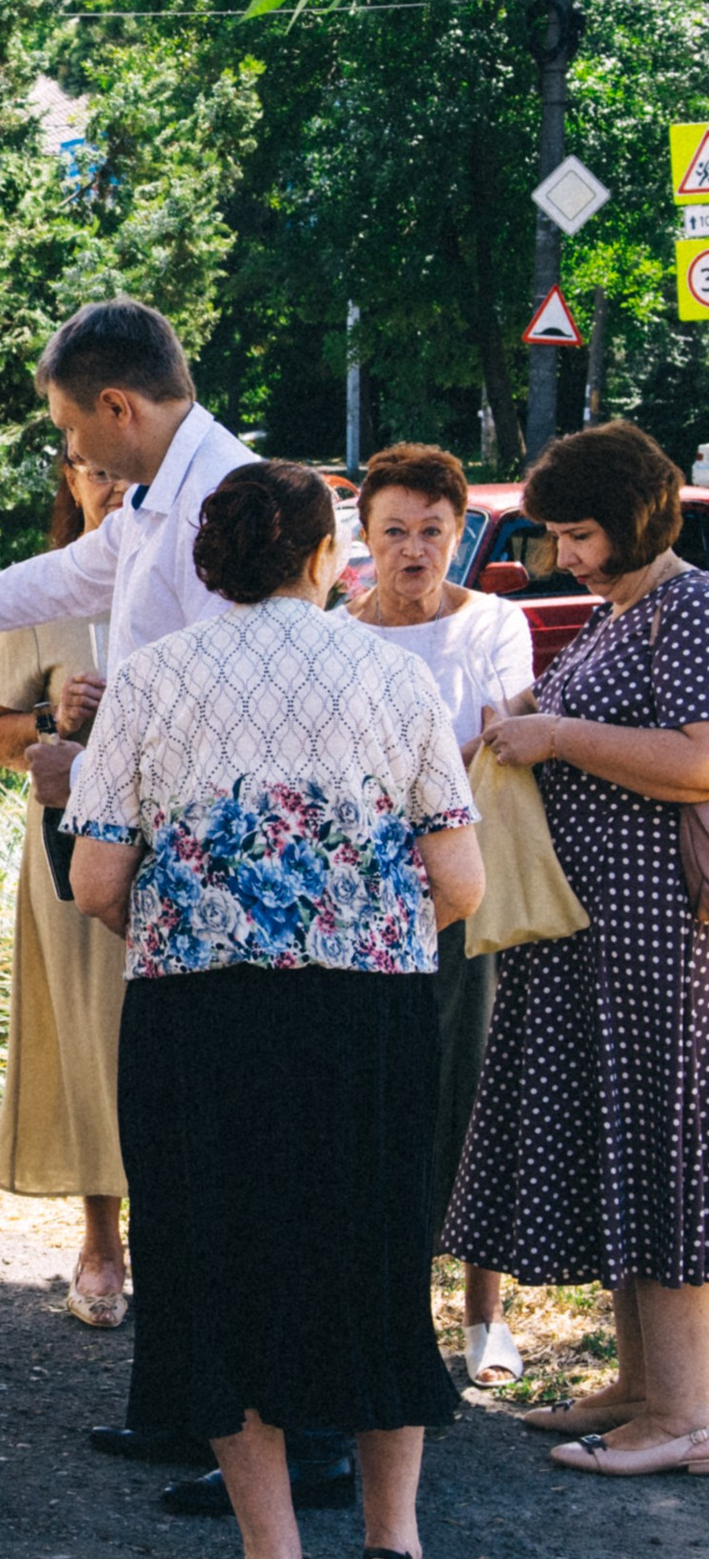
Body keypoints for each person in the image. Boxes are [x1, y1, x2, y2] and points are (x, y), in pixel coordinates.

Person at [0, 299, 351, 1512]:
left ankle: (287, 1436)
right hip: (161, 889)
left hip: (224, 894)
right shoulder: (155, 502)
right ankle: (189, 1405)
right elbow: (59, 575)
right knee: (174, 1153)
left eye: (73, 429)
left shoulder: (232, 508)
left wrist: (88, 771)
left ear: (118, 404)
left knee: (238, 1164)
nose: (76, 459)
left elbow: (223, 714)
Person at [67, 462, 485, 1559]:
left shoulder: (150, 681)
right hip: (367, 1014)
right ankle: (394, 1544)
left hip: (201, 1015)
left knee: (214, 1262)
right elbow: (459, 877)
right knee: (374, 1248)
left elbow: (96, 874)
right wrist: (353, 924)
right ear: (322, 558)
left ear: (207, 561)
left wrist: (206, 915)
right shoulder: (390, 679)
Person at [448, 421, 709, 1478]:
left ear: (637, 518)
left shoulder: (687, 605)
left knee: (657, 1143)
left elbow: (698, 761)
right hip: (599, 928)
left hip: (653, 932)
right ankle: (643, 1384)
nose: (566, 556)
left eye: (581, 533)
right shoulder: (625, 610)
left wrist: (554, 735)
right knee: (620, 1136)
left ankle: (684, 1412)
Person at [343, 443, 536, 1386]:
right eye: (395, 532)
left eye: (432, 532)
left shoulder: (493, 625)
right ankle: (395, 1312)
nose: (414, 552)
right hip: (372, 907)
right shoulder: (343, 633)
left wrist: (407, 787)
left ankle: (483, 1314)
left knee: (475, 1091)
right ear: (364, 540)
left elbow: (499, 739)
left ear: (458, 538)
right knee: (388, 1105)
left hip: (466, 895)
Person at [0, 453, 130, 1325]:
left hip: (176, 841)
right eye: (92, 473)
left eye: (124, 471)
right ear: (69, 483)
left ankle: (180, 1235)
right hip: (69, 846)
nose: (111, 486)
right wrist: (50, 717)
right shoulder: (43, 598)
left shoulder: (194, 580)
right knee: (86, 1036)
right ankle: (101, 1244)